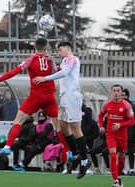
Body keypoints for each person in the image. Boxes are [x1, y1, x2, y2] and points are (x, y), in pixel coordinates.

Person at [0, 38, 67, 159]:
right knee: (58, 127)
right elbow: (62, 71)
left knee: (18, 121)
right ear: (46, 49)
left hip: (36, 96)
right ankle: (69, 151)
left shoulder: (31, 59)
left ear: (35, 47)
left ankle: (8, 146)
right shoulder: (50, 61)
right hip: (50, 97)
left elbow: (14, 71)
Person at [33, 41, 91, 179]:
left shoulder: (72, 59)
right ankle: (76, 154)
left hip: (72, 96)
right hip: (64, 97)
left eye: (60, 50)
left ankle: (84, 160)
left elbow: (64, 73)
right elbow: (57, 71)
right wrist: (51, 62)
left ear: (68, 48)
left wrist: (44, 78)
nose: (59, 52)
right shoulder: (65, 60)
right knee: (63, 127)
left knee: (76, 128)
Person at [98, 84, 135, 187]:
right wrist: (101, 126)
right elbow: (101, 115)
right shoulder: (107, 105)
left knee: (122, 159)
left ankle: (118, 177)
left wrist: (120, 125)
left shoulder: (127, 106)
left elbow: (132, 121)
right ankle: (115, 181)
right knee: (113, 156)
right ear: (111, 92)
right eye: (114, 90)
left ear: (121, 93)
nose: (116, 93)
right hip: (111, 134)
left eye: (118, 91)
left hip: (122, 136)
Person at [122, 88, 135, 176]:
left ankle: (132, 169)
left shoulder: (133, 106)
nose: (123, 97)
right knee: (121, 152)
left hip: (131, 133)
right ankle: (121, 169)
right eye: (122, 95)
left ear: (128, 96)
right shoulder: (118, 106)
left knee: (131, 152)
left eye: (125, 95)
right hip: (121, 133)